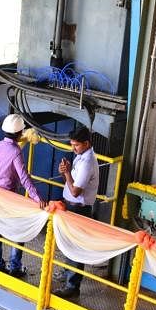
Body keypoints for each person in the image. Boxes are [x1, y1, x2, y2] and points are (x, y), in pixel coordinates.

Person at [0, 113, 42, 276]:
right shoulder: (15, 152)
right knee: (20, 231)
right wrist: (38, 199)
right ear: (19, 134)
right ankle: (15, 267)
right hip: (9, 199)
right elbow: (24, 178)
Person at [54, 126, 100, 299]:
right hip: (71, 207)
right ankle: (67, 273)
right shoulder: (81, 156)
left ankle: (72, 286)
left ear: (86, 143)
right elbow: (72, 182)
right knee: (68, 243)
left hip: (78, 209)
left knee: (75, 247)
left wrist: (66, 173)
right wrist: (65, 171)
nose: (73, 148)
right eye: (72, 145)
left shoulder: (87, 162)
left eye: (76, 145)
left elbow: (75, 192)